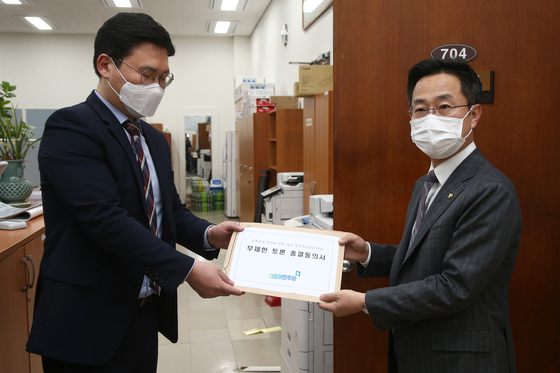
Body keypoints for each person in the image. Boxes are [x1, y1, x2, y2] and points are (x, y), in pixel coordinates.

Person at [26, 12, 243, 372]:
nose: (156, 86)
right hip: (86, 319)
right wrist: (188, 269)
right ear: (105, 65)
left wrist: (208, 234)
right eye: (146, 75)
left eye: (163, 77)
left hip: (142, 312)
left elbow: (168, 210)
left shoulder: (153, 139)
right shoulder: (72, 128)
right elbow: (106, 220)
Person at [319, 59, 522, 373]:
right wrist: (367, 254)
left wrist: (365, 303)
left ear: (474, 114)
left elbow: (456, 286)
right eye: (420, 109)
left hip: (462, 359)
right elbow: (424, 259)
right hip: (417, 349)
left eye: (444, 106)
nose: (431, 119)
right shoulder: (426, 184)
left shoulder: (490, 190)